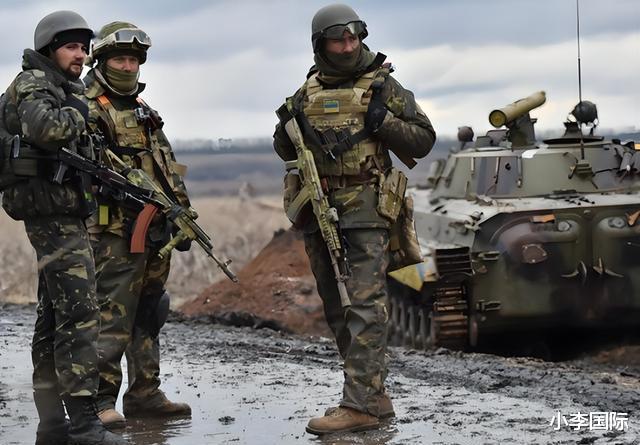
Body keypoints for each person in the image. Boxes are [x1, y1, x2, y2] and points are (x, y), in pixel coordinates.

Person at [273, 3, 436, 435]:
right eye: (338, 40)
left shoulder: (383, 85)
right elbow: (288, 150)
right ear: (320, 45)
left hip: (368, 208)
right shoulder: (307, 91)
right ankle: (373, 396)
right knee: (336, 306)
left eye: (353, 38)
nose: (348, 47)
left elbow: (423, 140)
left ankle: (359, 404)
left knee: (365, 305)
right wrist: (285, 130)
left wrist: (384, 122)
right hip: (319, 209)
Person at [0, 10, 129, 445]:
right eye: (71, 47)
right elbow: (49, 129)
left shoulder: (58, 87)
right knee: (80, 313)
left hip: (60, 213)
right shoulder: (37, 84)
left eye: (84, 48)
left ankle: (53, 422)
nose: (81, 55)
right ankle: (84, 422)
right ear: (49, 49)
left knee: (54, 315)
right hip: (51, 215)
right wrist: (77, 106)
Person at [82, 21, 192, 426]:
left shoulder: (144, 111)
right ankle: (100, 400)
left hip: (154, 227)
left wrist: (181, 211)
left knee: (150, 310)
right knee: (113, 313)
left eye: (133, 60)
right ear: (101, 61)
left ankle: (145, 393)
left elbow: (166, 166)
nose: (128, 67)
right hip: (114, 230)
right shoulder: (88, 108)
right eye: (120, 60)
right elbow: (89, 170)